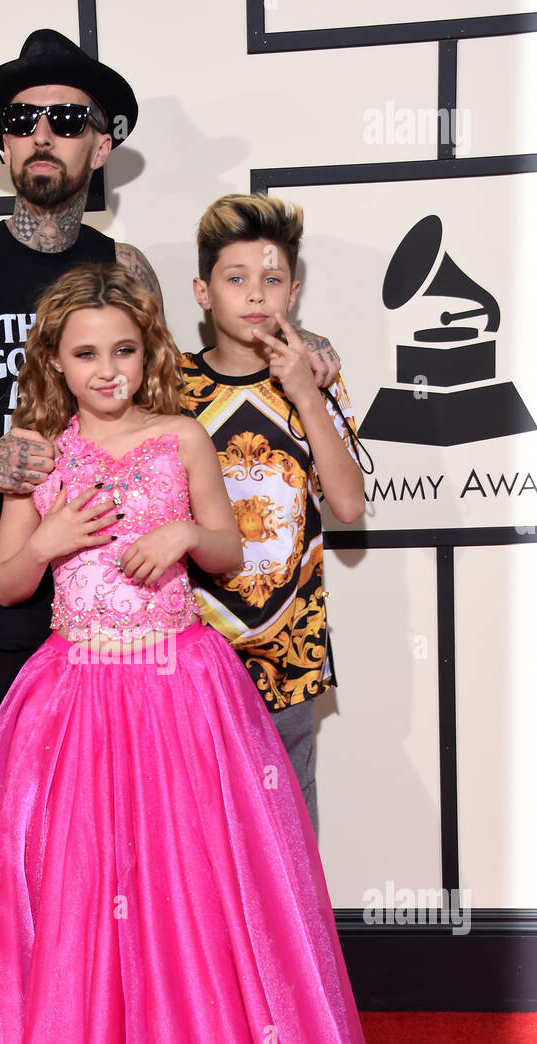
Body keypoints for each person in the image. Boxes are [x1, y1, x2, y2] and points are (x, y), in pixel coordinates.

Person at [0, 28, 343, 1044]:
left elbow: (178, 394)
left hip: (122, 634)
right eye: (23, 120)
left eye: (68, 119)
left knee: (131, 873)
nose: (44, 138)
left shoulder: (128, 277)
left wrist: (306, 368)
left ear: (101, 142)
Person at [0, 261, 392, 1044]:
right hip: (75, 706)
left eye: (125, 350)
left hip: (181, 696)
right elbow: (11, 584)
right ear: (51, 360)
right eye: (85, 353)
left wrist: (185, 527)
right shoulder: (34, 451)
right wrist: (50, 532)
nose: (107, 370)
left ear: (149, 349)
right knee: (75, 902)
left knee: (195, 898)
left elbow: (228, 551)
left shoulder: (180, 434)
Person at [181, 194, 366, 829]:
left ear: (293, 289)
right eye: (235, 280)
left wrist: (306, 396)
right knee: (198, 833)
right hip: (191, 650)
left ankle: (294, 936)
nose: (255, 295)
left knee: (287, 833)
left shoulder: (316, 377)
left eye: (272, 279)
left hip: (288, 650)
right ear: (204, 292)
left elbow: (347, 503)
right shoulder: (170, 385)